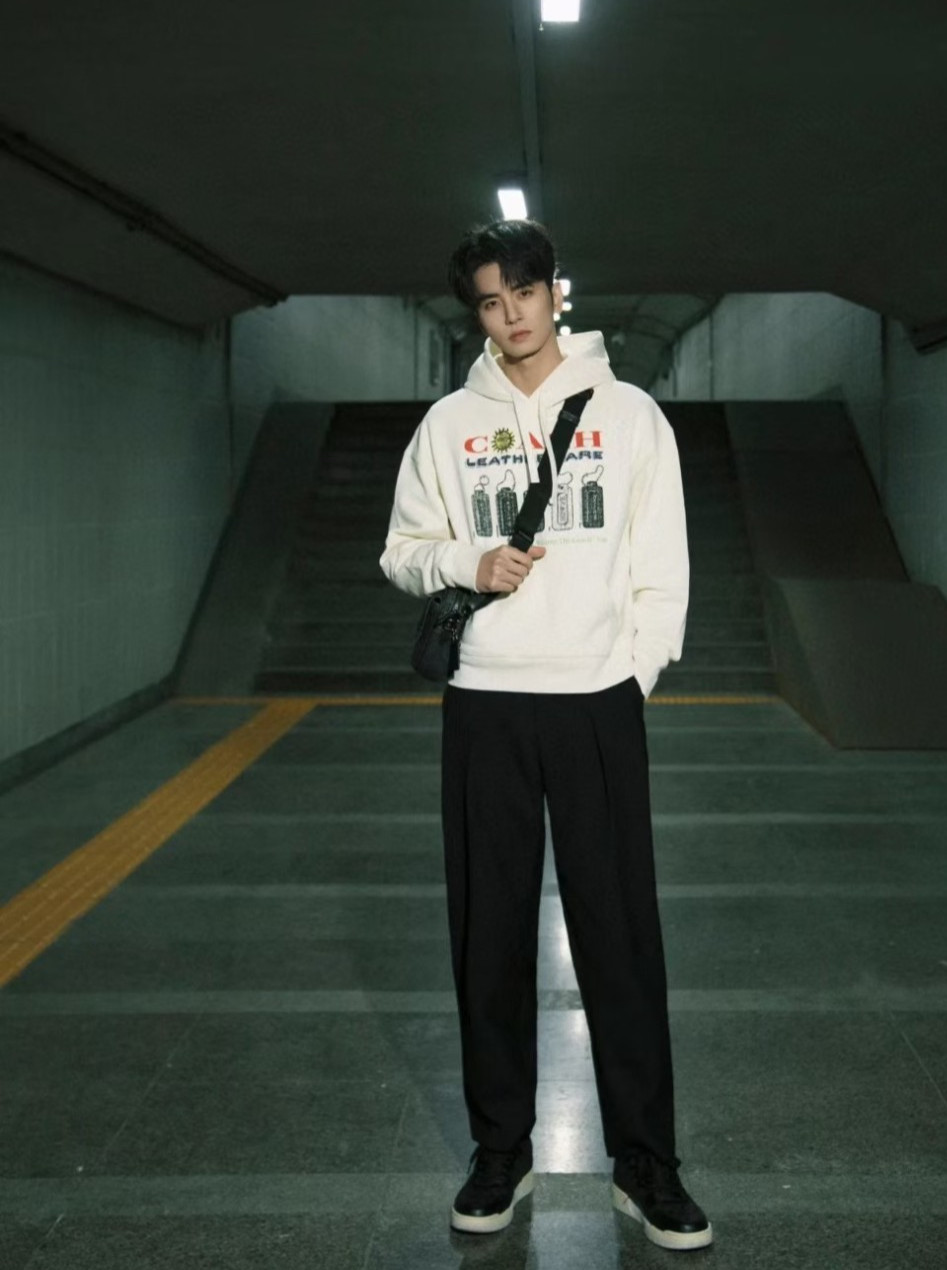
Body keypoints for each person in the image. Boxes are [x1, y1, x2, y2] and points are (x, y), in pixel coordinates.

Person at [379, 219, 712, 1252]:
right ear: (475, 312)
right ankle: (500, 1151)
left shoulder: (629, 414)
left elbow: (661, 563)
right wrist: (464, 563)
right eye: (489, 300)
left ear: (553, 292)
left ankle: (645, 1163)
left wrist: (632, 671)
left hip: (595, 698)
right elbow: (401, 549)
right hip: (484, 701)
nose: (510, 315)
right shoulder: (447, 425)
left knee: (621, 936)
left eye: (523, 292)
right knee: (486, 935)